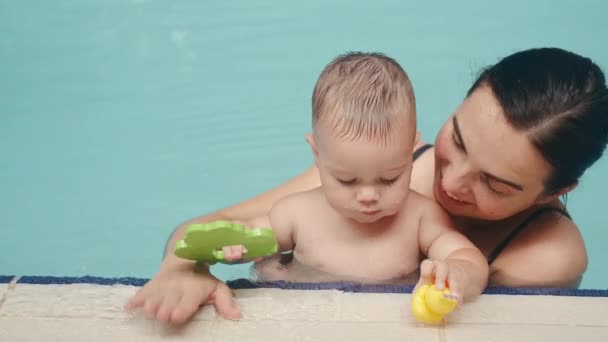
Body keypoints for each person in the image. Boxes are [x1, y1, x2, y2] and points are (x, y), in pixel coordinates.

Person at [126, 47, 608, 325]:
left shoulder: (546, 259)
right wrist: (186, 269)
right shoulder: (386, 167)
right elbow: (208, 229)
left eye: (496, 184)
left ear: (553, 191)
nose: (451, 181)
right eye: (457, 140)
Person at [219, 52, 488, 303]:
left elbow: (466, 257)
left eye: (389, 178)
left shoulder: (420, 218)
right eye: (347, 181)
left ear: (411, 152)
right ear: (316, 154)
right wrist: (235, 250)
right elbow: (248, 238)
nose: (368, 196)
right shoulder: (295, 214)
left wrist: (457, 274)